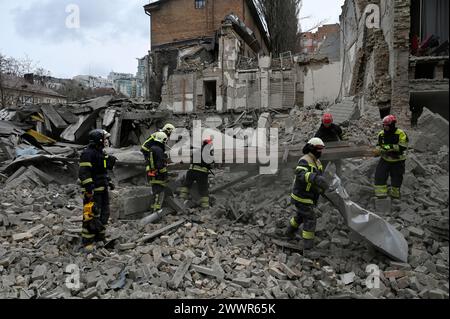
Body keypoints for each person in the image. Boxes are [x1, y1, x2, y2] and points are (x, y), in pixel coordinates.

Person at [285, 138, 330, 252]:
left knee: (300, 216)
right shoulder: (305, 160)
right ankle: (308, 246)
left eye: (322, 149)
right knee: (310, 218)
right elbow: (300, 174)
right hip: (301, 196)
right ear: (312, 148)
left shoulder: (317, 161)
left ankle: (289, 232)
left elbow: (319, 177)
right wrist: (315, 178)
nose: (321, 152)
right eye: (319, 149)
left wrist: (321, 186)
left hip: (309, 196)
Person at [79, 129, 116, 252]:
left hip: (103, 189)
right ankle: (87, 241)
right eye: (105, 139)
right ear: (99, 140)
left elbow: (102, 170)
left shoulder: (99, 153)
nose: (106, 141)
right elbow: (84, 173)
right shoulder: (87, 154)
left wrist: (108, 181)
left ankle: (100, 237)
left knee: (104, 214)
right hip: (93, 191)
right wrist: (89, 189)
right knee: (90, 215)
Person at [374, 115, 409, 200]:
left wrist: (388, 147)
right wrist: (377, 151)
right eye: (384, 125)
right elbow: (378, 145)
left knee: (397, 178)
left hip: (398, 160)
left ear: (392, 125)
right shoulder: (381, 134)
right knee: (379, 175)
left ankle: (395, 195)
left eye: (387, 125)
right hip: (385, 159)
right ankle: (381, 195)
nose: (385, 127)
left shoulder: (400, 133)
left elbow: (403, 146)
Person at [179, 137, 214, 209]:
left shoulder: (196, 151)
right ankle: (205, 207)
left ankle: (180, 200)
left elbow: (192, 159)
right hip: (201, 174)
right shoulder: (208, 153)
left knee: (186, 185)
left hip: (191, 172)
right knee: (204, 190)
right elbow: (211, 164)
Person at [141, 131, 169, 214]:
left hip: (152, 173)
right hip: (157, 174)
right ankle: (155, 212)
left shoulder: (152, 148)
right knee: (158, 192)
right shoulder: (159, 150)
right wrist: (165, 174)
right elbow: (160, 164)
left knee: (155, 191)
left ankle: (154, 210)